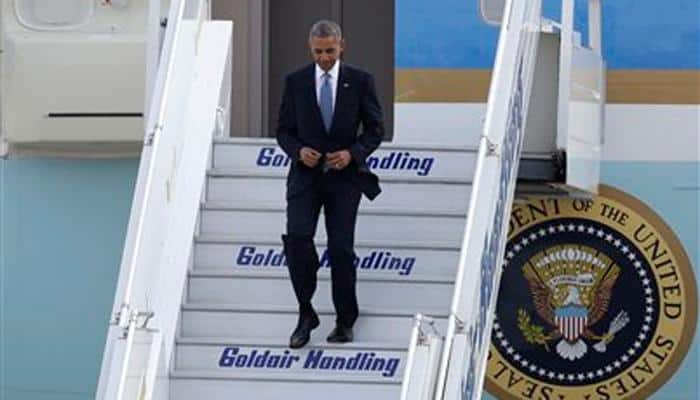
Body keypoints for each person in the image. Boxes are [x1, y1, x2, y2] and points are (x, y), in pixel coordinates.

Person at [276, 19, 384, 349]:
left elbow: (375, 130)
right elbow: (283, 130)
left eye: (330, 51)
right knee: (297, 239)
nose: (324, 58)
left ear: (342, 46)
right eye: (318, 52)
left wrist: (352, 154)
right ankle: (306, 311)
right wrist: (298, 151)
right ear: (310, 49)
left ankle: (345, 320)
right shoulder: (295, 82)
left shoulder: (360, 81)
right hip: (305, 178)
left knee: (340, 249)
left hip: (344, 179)